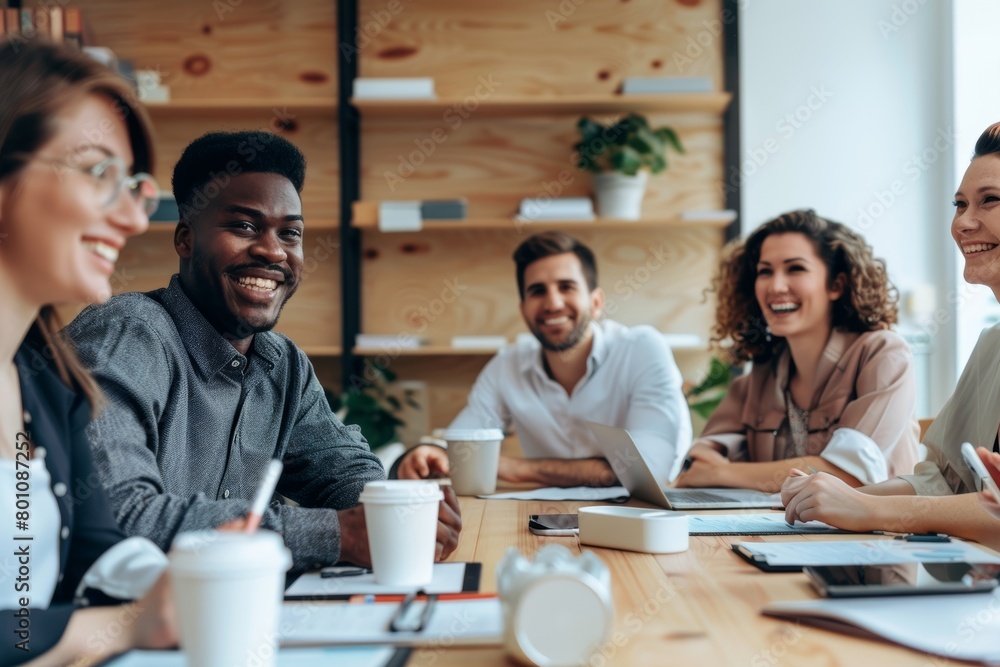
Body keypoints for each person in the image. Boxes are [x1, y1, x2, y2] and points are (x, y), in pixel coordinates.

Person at [64, 131, 461, 573]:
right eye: (244, 226)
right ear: (185, 239)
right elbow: (119, 516)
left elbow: (340, 468)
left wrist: (392, 510)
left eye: (289, 233)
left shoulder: (282, 364)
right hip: (120, 628)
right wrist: (339, 534)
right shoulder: (129, 336)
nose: (273, 251)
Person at [0, 40, 177, 666]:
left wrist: (172, 585)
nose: (131, 218)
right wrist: (122, 627)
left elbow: (92, 550)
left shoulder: (49, 377)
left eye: (134, 186)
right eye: (98, 172)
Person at [781, 123, 1000, 548]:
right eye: (958, 205)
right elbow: (944, 481)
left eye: (990, 201)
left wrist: (866, 509)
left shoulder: (880, 352)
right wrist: (835, 498)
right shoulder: (991, 345)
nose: (963, 224)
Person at [396, 231, 692, 487]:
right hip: (538, 519)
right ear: (523, 309)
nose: (552, 303)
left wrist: (519, 469)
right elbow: (463, 447)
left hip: (634, 521)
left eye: (567, 287)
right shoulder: (507, 366)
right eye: (538, 291)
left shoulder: (641, 349)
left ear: (596, 302)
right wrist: (430, 452)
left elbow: (650, 470)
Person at [674, 210, 920, 493]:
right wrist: (714, 465)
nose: (776, 286)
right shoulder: (761, 373)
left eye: (795, 269)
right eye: (765, 271)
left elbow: (847, 476)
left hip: (877, 535)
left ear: (836, 285)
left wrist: (724, 472)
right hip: (787, 532)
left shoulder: (884, 355)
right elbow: (699, 462)